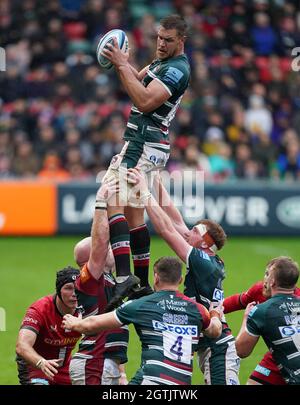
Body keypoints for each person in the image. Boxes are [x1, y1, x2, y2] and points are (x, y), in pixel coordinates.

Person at [100, 14, 191, 311]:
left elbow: (144, 101)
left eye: (168, 40)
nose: (161, 44)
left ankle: (125, 275)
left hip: (143, 142)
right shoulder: (157, 63)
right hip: (143, 143)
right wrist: (119, 61)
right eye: (159, 38)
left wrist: (123, 64)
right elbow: (132, 84)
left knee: (111, 196)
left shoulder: (177, 70)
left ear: (181, 41)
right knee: (135, 213)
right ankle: (140, 282)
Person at [125, 169, 240, 385]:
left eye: (195, 231)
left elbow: (167, 230)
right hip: (204, 339)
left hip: (217, 346)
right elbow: (175, 218)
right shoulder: (206, 257)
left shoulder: (202, 262)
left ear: (205, 243)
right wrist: (155, 179)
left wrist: (144, 191)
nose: (188, 232)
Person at [63, 256, 223, 385]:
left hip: (152, 377)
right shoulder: (198, 309)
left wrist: (74, 323)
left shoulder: (142, 305)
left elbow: (93, 324)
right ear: (180, 280)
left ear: (156, 277)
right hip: (182, 381)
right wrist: (215, 313)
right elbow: (215, 331)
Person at [224, 268, 300, 385]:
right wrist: (208, 313)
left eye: (267, 274)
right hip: (276, 354)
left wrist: (246, 319)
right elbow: (237, 301)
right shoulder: (260, 291)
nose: (264, 280)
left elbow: (241, 351)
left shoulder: (262, 310)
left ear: (273, 281)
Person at [70, 236, 129, 385]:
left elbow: (111, 330)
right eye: (108, 249)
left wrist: (121, 373)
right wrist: (102, 211)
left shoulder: (109, 280)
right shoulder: (92, 279)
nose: (112, 252)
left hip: (104, 363)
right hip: (94, 364)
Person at [16, 266, 82, 385]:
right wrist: (41, 362)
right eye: (68, 288)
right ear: (58, 290)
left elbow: (109, 339)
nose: (74, 294)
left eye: (78, 288)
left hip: (65, 368)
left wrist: (121, 374)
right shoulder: (40, 309)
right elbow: (22, 346)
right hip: (36, 366)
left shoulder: (86, 309)